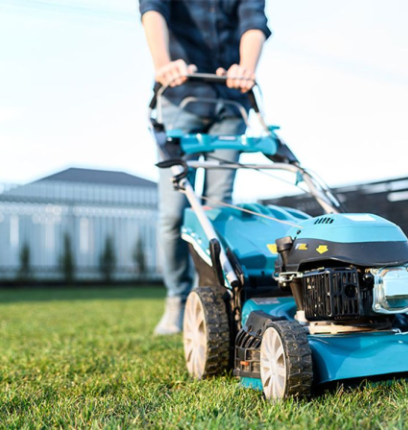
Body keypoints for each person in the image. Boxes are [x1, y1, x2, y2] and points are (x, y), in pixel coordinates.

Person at [139, 0, 271, 335]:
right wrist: (163, 63)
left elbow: (254, 22)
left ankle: (215, 299)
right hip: (181, 97)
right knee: (173, 212)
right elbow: (152, 10)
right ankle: (176, 300)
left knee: (217, 207)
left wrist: (246, 65)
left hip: (230, 101)